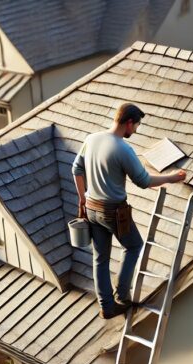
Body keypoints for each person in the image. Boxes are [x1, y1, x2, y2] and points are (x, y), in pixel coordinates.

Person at [72, 103, 186, 319]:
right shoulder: (123, 149)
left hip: (92, 208)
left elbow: (76, 169)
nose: (136, 131)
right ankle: (122, 296)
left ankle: (106, 307)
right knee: (134, 246)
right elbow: (143, 181)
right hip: (114, 212)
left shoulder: (92, 138)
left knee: (100, 258)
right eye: (136, 126)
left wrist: (81, 200)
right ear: (129, 122)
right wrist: (172, 177)